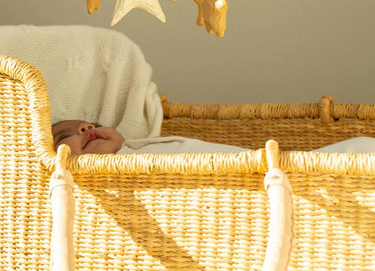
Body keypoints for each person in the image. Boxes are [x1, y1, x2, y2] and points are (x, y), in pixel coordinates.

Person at [51, 120, 375, 157]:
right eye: (64, 135)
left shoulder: (137, 144)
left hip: (270, 168)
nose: (84, 128)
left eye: (93, 123)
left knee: (362, 147)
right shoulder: (106, 185)